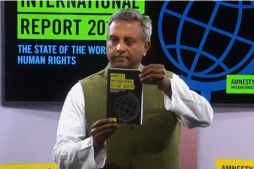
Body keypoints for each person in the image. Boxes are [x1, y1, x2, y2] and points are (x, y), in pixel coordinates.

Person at [52, 8, 213, 169]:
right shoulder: (81, 91)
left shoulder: (169, 82)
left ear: (145, 47)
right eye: (113, 40)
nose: (119, 48)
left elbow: (205, 117)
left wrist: (169, 88)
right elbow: (61, 155)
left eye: (128, 41)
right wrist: (93, 144)